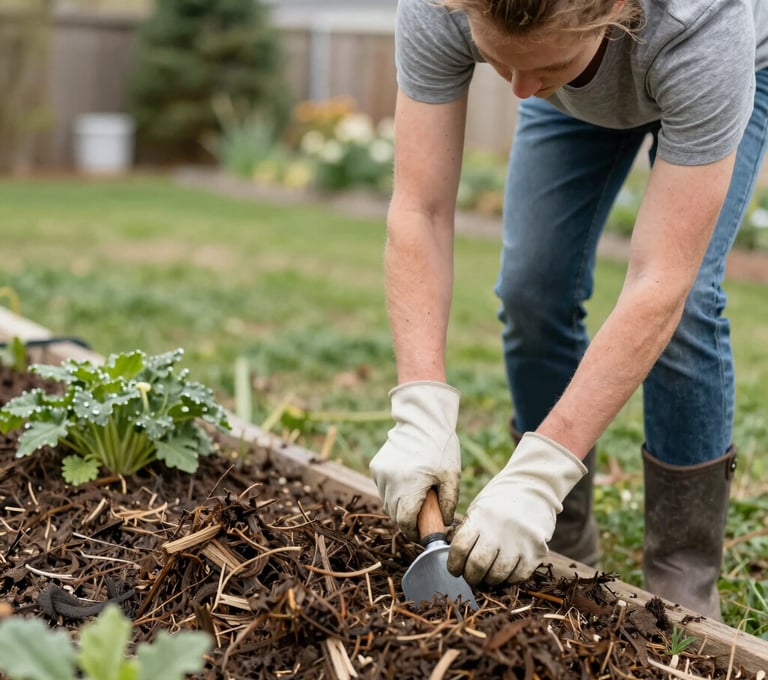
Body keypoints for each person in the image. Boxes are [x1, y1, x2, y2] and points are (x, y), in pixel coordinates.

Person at [369, 0, 768, 621]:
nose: (521, 93)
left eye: (543, 64)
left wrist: (544, 468)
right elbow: (419, 209)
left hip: (718, 67)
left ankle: (682, 573)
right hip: (580, 90)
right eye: (500, 62)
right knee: (533, 286)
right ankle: (561, 537)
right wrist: (419, 405)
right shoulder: (442, 5)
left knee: (686, 308)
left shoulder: (703, 23)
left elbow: (659, 278)